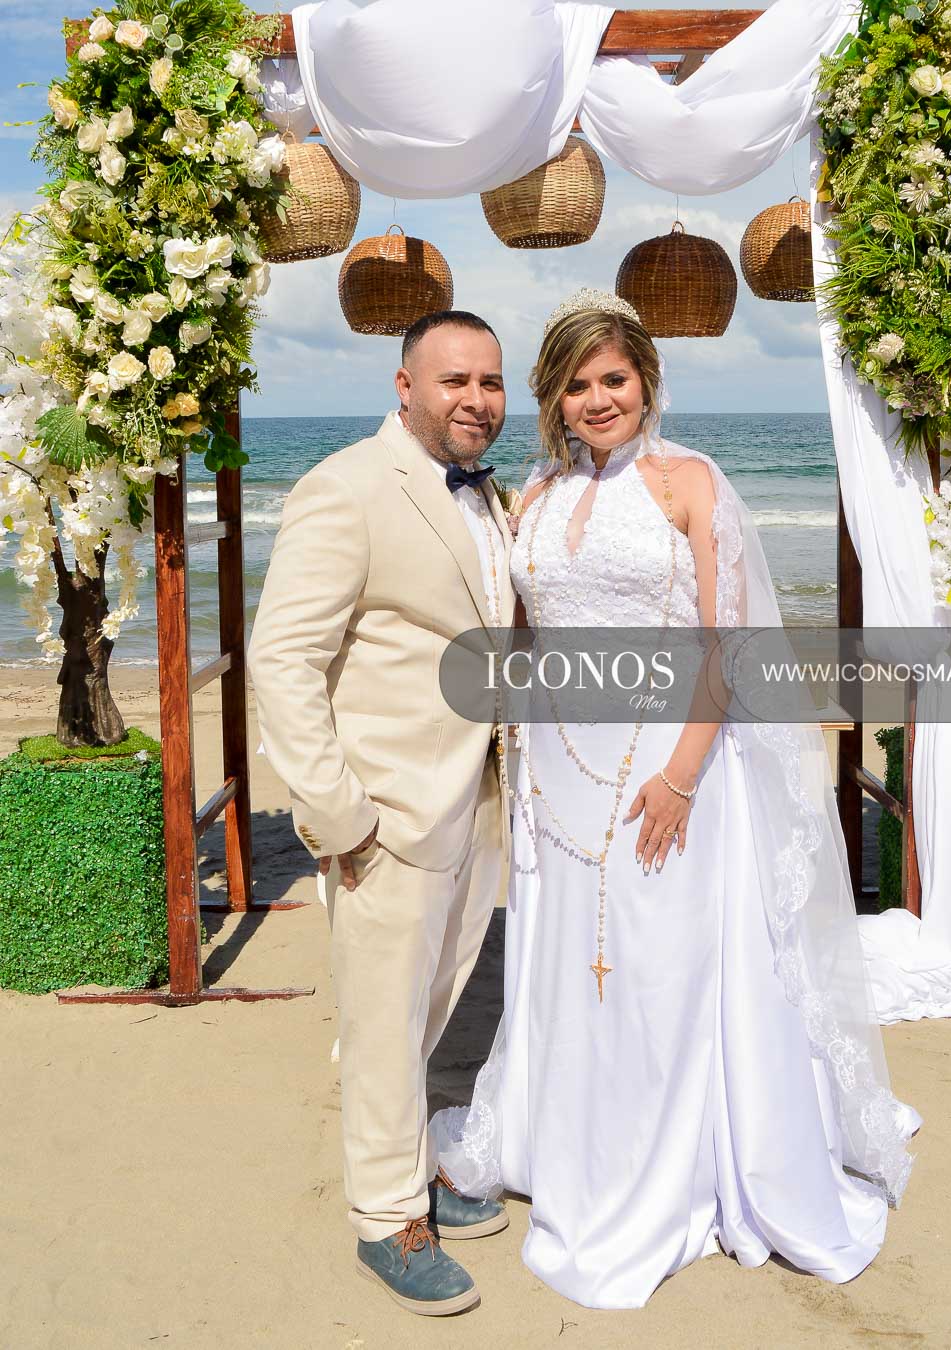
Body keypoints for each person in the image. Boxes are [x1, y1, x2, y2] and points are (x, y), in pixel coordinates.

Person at [433, 289, 921, 1310]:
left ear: (646, 381)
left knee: (657, 964)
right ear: (555, 400)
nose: (597, 399)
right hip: (559, 777)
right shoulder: (536, 494)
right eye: (577, 384)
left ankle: (669, 1163)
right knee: (570, 961)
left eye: (613, 378)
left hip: (667, 769)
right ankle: (566, 1139)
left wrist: (682, 776)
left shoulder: (690, 482)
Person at [248, 311, 516, 1317]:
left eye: (490, 382)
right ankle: (386, 1218)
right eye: (454, 380)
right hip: (387, 817)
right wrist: (340, 815)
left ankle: (411, 1172)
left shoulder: (487, 492)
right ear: (405, 387)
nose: (475, 400)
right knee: (381, 1022)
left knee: (428, 1007)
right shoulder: (346, 486)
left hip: (474, 798)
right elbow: (284, 659)